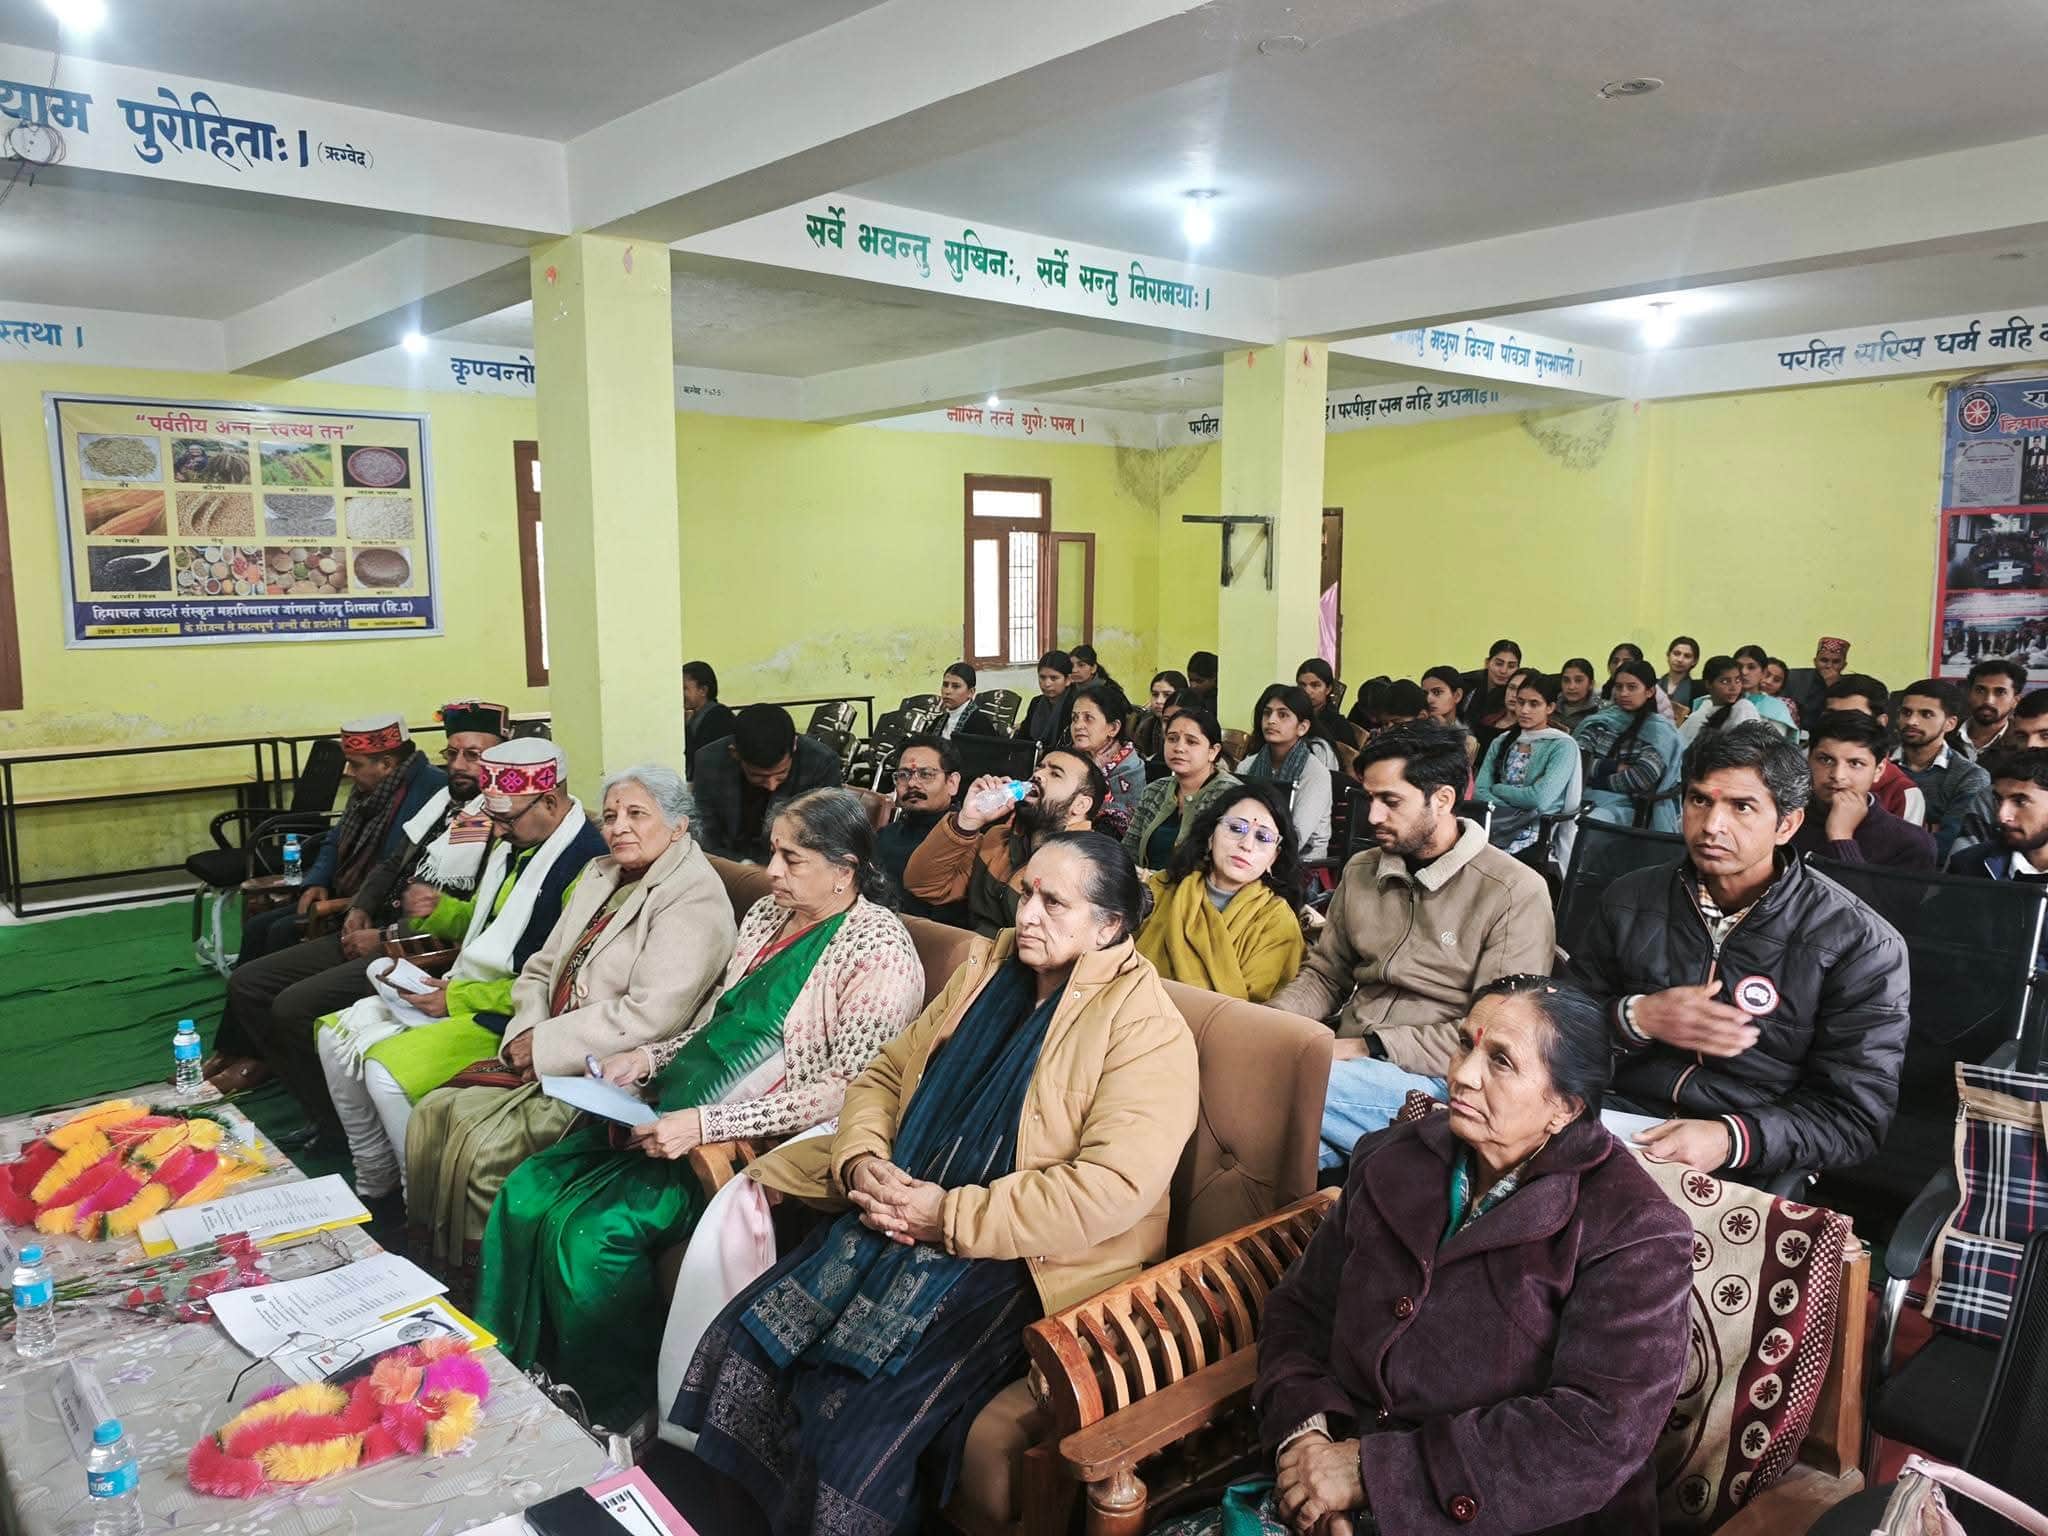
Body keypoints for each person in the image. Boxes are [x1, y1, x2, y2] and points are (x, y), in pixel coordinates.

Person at [666, 833, 1199, 1536]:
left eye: (1054, 903)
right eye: (1026, 892)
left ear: (1110, 926)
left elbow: (1109, 1188)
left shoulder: (1146, 1027)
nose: (1027, 914)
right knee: (745, 1343)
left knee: (849, 1431)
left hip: (1011, 1260)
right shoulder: (989, 971)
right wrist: (861, 1160)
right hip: (894, 1210)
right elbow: (886, 1074)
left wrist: (946, 1215)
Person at [1173, 977, 1690, 1536]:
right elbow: (1301, 1308)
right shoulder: (1395, 1156)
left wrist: (1371, 1476)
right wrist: (1307, 1443)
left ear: (1564, 1108)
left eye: (1501, 1062)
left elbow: (1595, 1434)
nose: (1463, 1074)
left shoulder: (1636, 1231)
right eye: (1466, 1043)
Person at [476, 789, 925, 1431]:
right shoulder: (770, 916)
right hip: (665, 1110)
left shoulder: (878, 952)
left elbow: (847, 1093)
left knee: (590, 1235)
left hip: (738, 1143)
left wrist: (705, 1125)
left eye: (792, 859)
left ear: (845, 870)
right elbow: (716, 1026)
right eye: (773, 852)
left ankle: (615, 1407)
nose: (771, 872)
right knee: (524, 1189)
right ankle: (520, 1375)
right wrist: (648, 1060)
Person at [404, 765, 739, 1294]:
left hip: (608, 1073)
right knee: (434, 1113)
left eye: (636, 814)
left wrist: (546, 1045)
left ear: (678, 825)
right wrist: (529, 1030)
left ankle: (481, 1288)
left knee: (482, 1143)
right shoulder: (601, 874)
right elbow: (541, 965)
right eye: (609, 816)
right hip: (547, 1048)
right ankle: (432, 1270)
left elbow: (651, 1017)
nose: (619, 828)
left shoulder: (692, 897)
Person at [1569, 723, 1909, 1182]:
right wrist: (1635, 1018)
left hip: (1750, 1151)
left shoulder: (1860, 942)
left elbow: (1856, 1118)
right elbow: (1560, 1030)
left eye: (1742, 807)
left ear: (1786, 824)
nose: (1711, 825)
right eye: (1699, 801)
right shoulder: (1629, 898)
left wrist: (1728, 1138)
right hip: (1618, 1119)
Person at [315, 739, 607, 1200]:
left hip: (511, 1017)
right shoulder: (524, 842)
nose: (499, 830)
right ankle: (376, 1174)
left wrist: (454, 998)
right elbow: (490, 927)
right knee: (332, 1037)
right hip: (468, 989)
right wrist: (439, 910)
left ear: (550, 801)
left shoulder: (585, 867)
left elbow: (556, 984)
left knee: (385, 1075)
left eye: (507, 819)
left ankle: (422, 1200)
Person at [1268, 724, 1554, 1164]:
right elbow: (1325, 975)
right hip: (1346, 1061)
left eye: (1391, 801)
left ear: (1441, 799)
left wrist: (1370, 1047)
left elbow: (1496, 1035)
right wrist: (1266, 1027)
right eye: (1370, 799)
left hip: (1440, 1078)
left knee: (1276, 1086)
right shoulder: (1363, 870)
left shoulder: (1512, 891)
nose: (1373, 817)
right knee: (1266, 1135)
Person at [207, 701, 504, 1096]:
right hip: (381, 923)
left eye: (474, 756)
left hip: (421, 950)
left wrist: (381, 936)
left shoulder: (498, 820)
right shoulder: (448, 801)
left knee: (292, 1003)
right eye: (452, 754)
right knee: (249, 980)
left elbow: (467, 917)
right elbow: (392, 861)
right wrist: (361, 906)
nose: (459, 765)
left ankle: (323, 1116)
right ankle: (264, 1061)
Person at [217, 715, 450, 1141]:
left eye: (356, 763)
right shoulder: (382, 793)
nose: (349, 772)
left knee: (280, 953)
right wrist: (323, 884)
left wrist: (373, 925)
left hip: (404, 937)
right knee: (262, 942)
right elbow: (360, 850)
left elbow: (435, 902)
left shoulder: (431, 792)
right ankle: (243, 1049)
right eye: (454, 753)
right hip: (370, 911)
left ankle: (326, 1116)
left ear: (384, 762)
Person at [1136, 779, 1306, 1003]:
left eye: (1263, 837)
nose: (1246, 844)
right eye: (1236, 828)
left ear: (1273, 857)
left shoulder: (1277, 922)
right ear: (1210, 836)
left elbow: (1257, 1013)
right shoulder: (1163, 888)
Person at [904, 746, 1104, 935]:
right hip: (973, 959)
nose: (1038, 775)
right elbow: (923, 885)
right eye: (1040, 768)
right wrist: (966, 822)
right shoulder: (997, 839)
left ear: (1080, 804)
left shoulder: (1088, 868)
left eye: (1055, 774)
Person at [693, 704, 844, 863]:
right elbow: (704, 833)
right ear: (735, 753)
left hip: (795, 865)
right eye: (758, 776)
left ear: (794, 745)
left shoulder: (820, 762)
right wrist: (742, 868)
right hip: (731, 864)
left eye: (780, 774)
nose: (772, 785)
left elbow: (828, 838)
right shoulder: (709, 760)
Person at [1791, 711, 1937, 870]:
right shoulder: (1783, 820)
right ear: (1808, 760)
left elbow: (1863, 896)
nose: (1838, 776)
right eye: (1825, 760)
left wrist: (1841, 838)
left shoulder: (1911, 843)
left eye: (1855, 763)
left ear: (1878, 771)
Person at [1473, 671, 1581, 862]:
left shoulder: (1562, 745)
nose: (1524, 710)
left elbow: (1539, 799)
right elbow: (1480, 791)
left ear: (1550, 707)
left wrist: (1498, 789)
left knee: (1489, 859)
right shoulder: (1502, 741)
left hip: (1535, 829)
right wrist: (1512, 809)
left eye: (1534, 704)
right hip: (1496, 822)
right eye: (1521, 702)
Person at [1122, 707, 1241, 870]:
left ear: (1213, 752)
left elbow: (1220, 867)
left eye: (1191, 742)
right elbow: (1129, 850)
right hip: (1144, 888)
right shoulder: (1154, 790)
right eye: (1172, 739)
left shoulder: (1231, 796)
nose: (1179, 748)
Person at [1575, 659, 1682, 831]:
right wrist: (1616, 766)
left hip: (1628, 806)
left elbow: (1642, 777)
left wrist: (1597, 781)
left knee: (1582, 825)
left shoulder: (1658, 732)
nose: (1623, 693)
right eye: (1619, 687)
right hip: (1581, 797)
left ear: (1649, 691)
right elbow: (1578, 763)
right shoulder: (1600, 722)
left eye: (1632, 687)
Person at [871, 736, 969, 925]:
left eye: (926, 774)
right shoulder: (885, 835)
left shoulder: (963, 844)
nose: (913, 784)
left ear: (952, 783)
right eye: (904, 775)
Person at [1895, 678, 1995, 859]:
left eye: (1926, 714)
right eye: (1906, 712)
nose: (1912, 721)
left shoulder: (1970, 776)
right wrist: (1926, 827)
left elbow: (1949, 845)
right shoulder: (1875, 762)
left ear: (1950, 723)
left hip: (1936, 878)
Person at [1241, 684, 1336, 860]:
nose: (1271, 720)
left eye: (1282, 715)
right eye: (1267, 713)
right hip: (1250, 854)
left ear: (1302, 727)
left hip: (1302, 865)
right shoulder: (1247, 766)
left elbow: (1296, 838)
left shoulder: (1315, 774)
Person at [1819, 673, 1925, 825]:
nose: (1838, 725)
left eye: (1853, 718)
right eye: (1831, 716)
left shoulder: (1902, 793)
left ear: (1881, 722)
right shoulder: (1800, 769)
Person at [1068, 678, 1145, 841]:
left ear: (1113, 728)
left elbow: (1124, 829)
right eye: (1075, 718)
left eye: (1088, 718)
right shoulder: (1070, 759)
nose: (1078, 725)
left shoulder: (1130, 769)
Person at [1675, 655, 1759, 745]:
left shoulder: (1743, 708)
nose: (1734, 687)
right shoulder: (1699, 714)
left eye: (1738, 680)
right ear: (1708, 684)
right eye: (1725, 681)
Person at [1962, 657, 2028, 759]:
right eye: (1980, 690)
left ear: (2015, 701)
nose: (1988, 700)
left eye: (2000, 692)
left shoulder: (2024, 744)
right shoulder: (1944, 733)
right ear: (1969, 694)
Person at [1782, 635, 1851, 728]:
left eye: (1836, 662)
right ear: (1815, 661)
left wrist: (1833, 687)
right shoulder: (1793, 677)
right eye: (1824, 660)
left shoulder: (1850, 687)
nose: (1829, 666)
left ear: (1844, 665)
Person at [683, 661, 737, 777]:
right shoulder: (694, 717)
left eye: (684, 688)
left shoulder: (720, 717)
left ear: (702, 690)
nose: (680, 693)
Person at [1020, 648, 1076, 750]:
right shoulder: (1036, 703)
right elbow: (1023, 738)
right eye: (1042, 677)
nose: (1047, 684)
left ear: (1068, 680)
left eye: (1054, 678)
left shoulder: (1076, 705)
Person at [1295, 658, 1357, 748]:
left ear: (1328, 689)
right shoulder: (1292, 716)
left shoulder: (1339, 725)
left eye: (1315, 685)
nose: (1307, 691)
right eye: (1302, 685)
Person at [1133, 669, 1189, 767]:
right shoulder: (1144, 725)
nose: (1159, 701)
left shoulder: (1192, 726)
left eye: (1167, 695)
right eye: (1155, 695)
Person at [1735, 645, 1797, 732]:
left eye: (1751, 667)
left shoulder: (1777, 707)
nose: (1744, 672)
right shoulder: (1718, 699)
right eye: (1739, 666)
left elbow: (1775, 742)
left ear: (1763, 673)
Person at [935, 662, 995, 741]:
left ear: (971, 692)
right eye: (945, 685)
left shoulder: (980, 724)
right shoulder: (937, 721)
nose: (948, 691)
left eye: (956, 686)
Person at [1555, 656, 1601, 732]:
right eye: (1566, 680)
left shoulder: (1599, 712)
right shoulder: (1550, 707)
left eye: (1578, 680)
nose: (1571, 687)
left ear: (1591, 684)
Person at [1661, 634, 1705, 708]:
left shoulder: (1700, 689)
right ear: (1668, 655)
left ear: (1694, 661)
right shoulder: (1653, 685)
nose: (1680, 659)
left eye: (1687, 656)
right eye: (1676, 654)